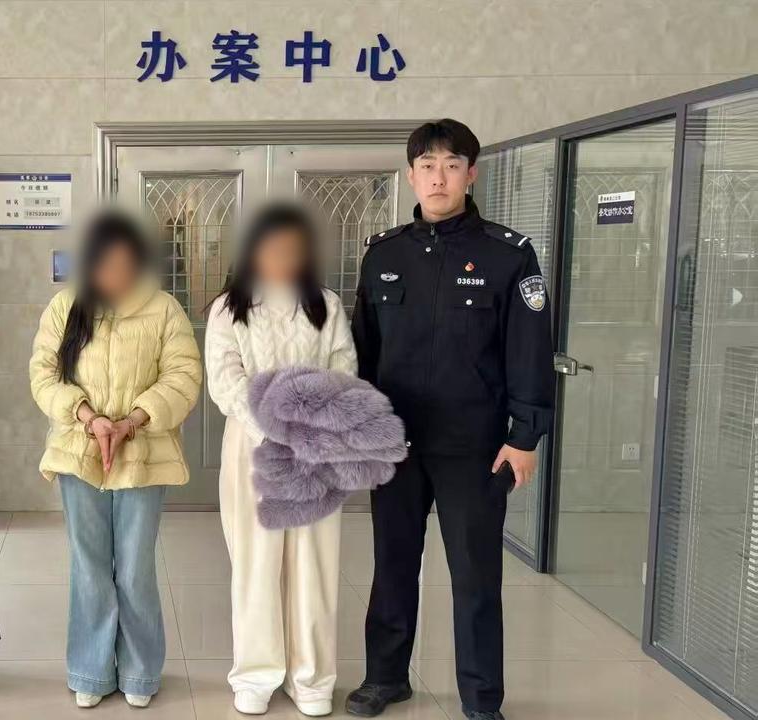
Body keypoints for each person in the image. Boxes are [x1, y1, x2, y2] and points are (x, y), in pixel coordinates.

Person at [345, 119, 555, 720]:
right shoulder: (384, 254)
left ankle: (482, 698)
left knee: (475, 576)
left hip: (475, 447)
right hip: (397, 444)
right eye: (427, 165)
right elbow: (363, 350)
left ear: (471, 174)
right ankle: (386, 678)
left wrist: (525, 436)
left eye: (451, 165)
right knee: (392, 565)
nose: (439, 177)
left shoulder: (508, 254)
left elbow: (529, 351)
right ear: (411, 175)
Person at [29, 210, 202, 709]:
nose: (116, 275)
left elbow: (184, 374)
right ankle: (91, 669)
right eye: (106, 265)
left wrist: (134, 421)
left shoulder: (164, 309)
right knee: (89, 567)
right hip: (79, 452)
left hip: (142, 453)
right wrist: (87, 417)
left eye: (125, 265)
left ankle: (141, 673)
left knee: (134, 568)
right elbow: (43, 374)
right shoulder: (66, 307)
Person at [204, 203, 358, 717]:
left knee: (314, 565)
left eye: (293, 249)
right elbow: (226, 381)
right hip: (254, 450)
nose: (282, 258)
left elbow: (344, 370)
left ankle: (311, 678)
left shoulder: (326, 306)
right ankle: (255, 674)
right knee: (257, 563)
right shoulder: (228, 309)